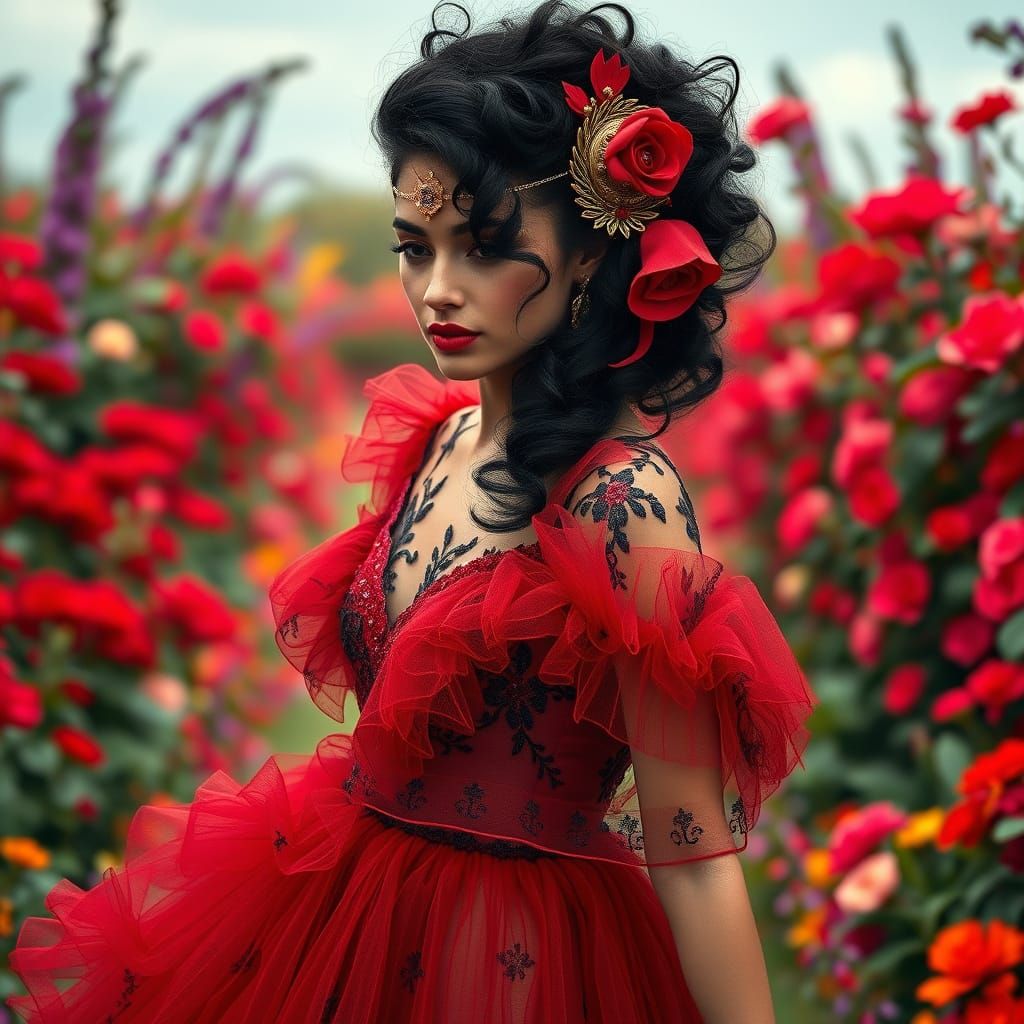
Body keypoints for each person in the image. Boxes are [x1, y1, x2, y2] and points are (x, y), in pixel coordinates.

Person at [6, 2, 817, 1021]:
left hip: (518, 958)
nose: (436, 288)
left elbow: (692, 854)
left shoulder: (621, 501)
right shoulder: (432, 436)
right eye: (413, 244)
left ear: (590, 252)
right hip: (337, 911)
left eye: (479, 247)